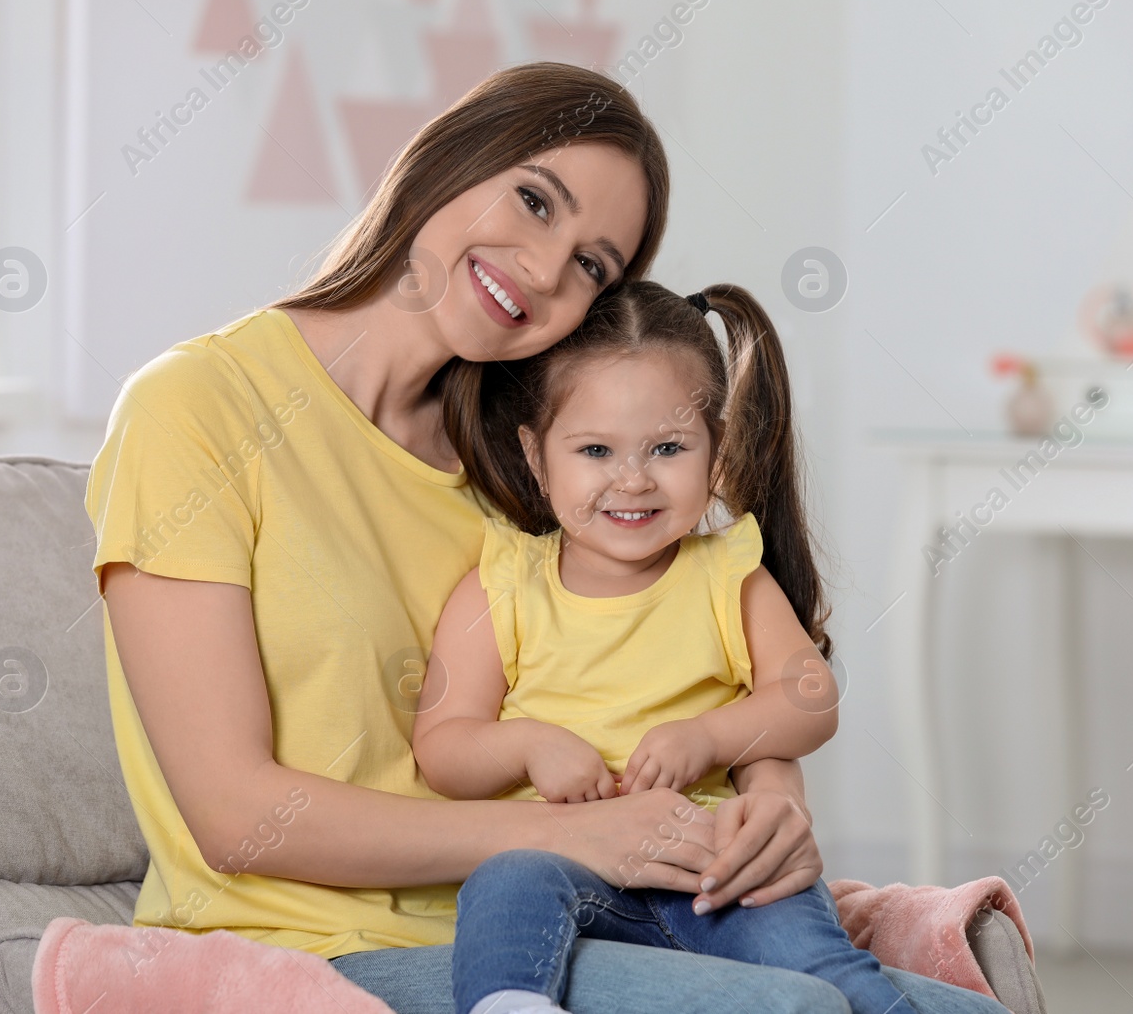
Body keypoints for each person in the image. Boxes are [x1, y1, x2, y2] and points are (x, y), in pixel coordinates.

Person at [85, 62, 855, 1014]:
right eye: (535, 201)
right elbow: (236, 817)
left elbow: (700, 658)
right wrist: (574, 839)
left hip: (552, 919)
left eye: (590, 265)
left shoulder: (530, 470)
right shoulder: (195, 409)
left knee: (916, 995)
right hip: (302, 946)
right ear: (449, 159)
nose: (541, 269)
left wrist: (776, 798)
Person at [415, 281, 979, 1014]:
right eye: (594, 449)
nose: (633, 479)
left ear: (717, 448)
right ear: (535, 455)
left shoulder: (726, 574)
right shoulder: (501, 585)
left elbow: (810, 697)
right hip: (569, 867)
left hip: (715, 869)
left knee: (825, 976)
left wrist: (709, 733)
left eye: (669, 447)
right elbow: (443, 747)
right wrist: (526, 745)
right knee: (506, 883)